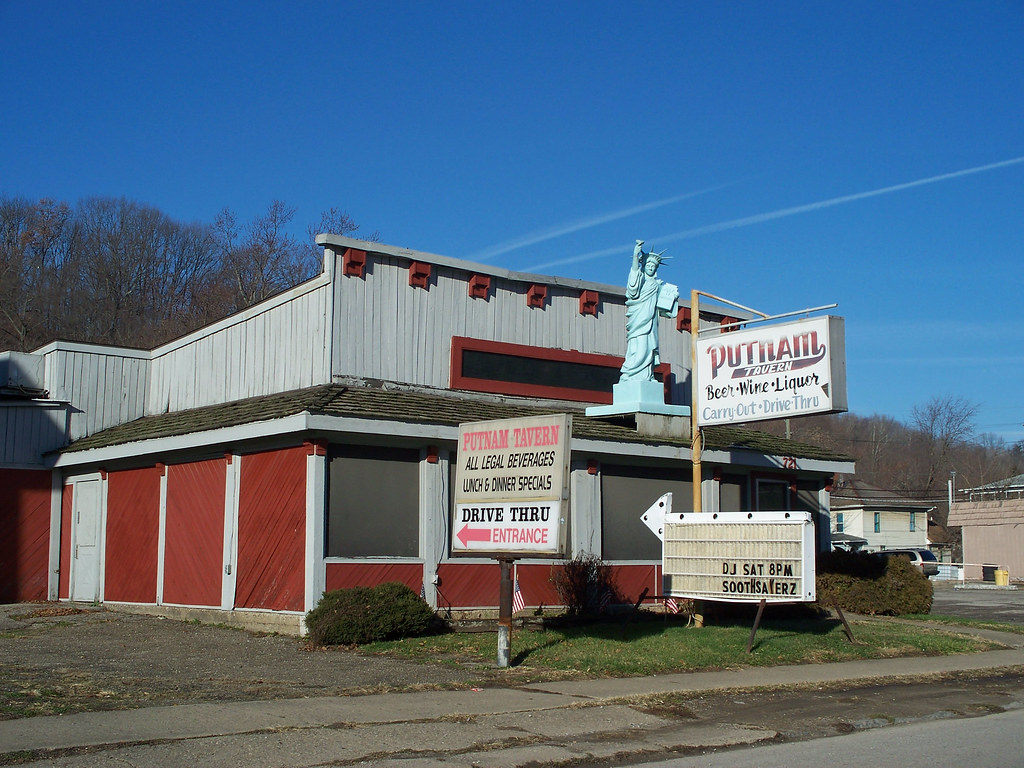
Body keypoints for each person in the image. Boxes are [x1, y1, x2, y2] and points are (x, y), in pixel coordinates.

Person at [619, 240, 677, 382]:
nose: (651, 267)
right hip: (638, 319)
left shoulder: (658, 285)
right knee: (638, 346)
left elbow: (664, 309)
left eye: (653, 266)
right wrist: (635, 257)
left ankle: (647, 375)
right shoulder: (641, 280)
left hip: (651, 322)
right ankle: (630, 373)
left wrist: (672, 297)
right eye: (648, 265)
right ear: (643, 266)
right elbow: (632, 289)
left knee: (649, 348)